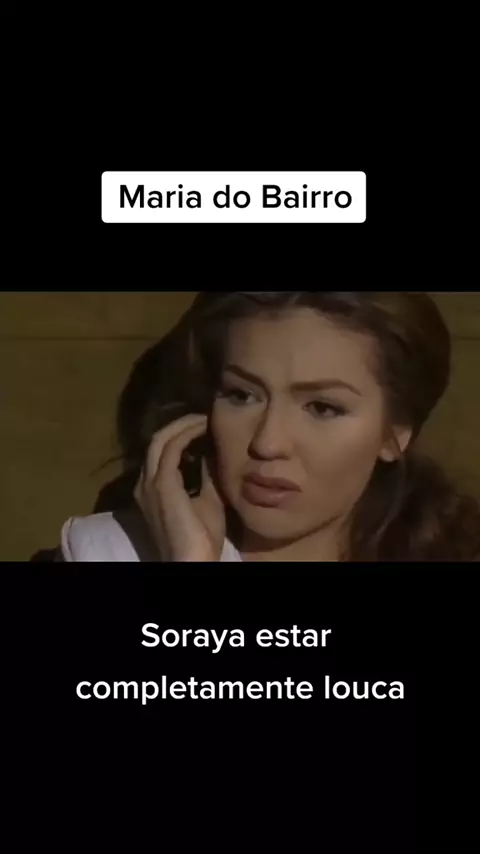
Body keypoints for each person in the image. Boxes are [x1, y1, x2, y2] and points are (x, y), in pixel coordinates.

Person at [57, 291, 480, 562]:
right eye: (241, 395)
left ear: (395, 433)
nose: (268, 443)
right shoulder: (104, 552)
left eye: (322, 408)